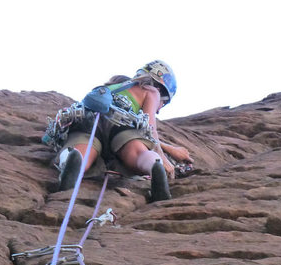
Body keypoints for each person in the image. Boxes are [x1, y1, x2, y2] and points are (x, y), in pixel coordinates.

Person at [55, 60, 192, 202]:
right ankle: (153, 165)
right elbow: (150, 131)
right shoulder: (151, 91)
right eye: (163, 104)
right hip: (122, 126)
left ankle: (71, 162)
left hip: (89, 122)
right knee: (139, 153)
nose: (158, 110)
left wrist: (170, 148)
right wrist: (163, 159)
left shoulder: (112, 86)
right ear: (161, 90)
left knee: (82, 150)